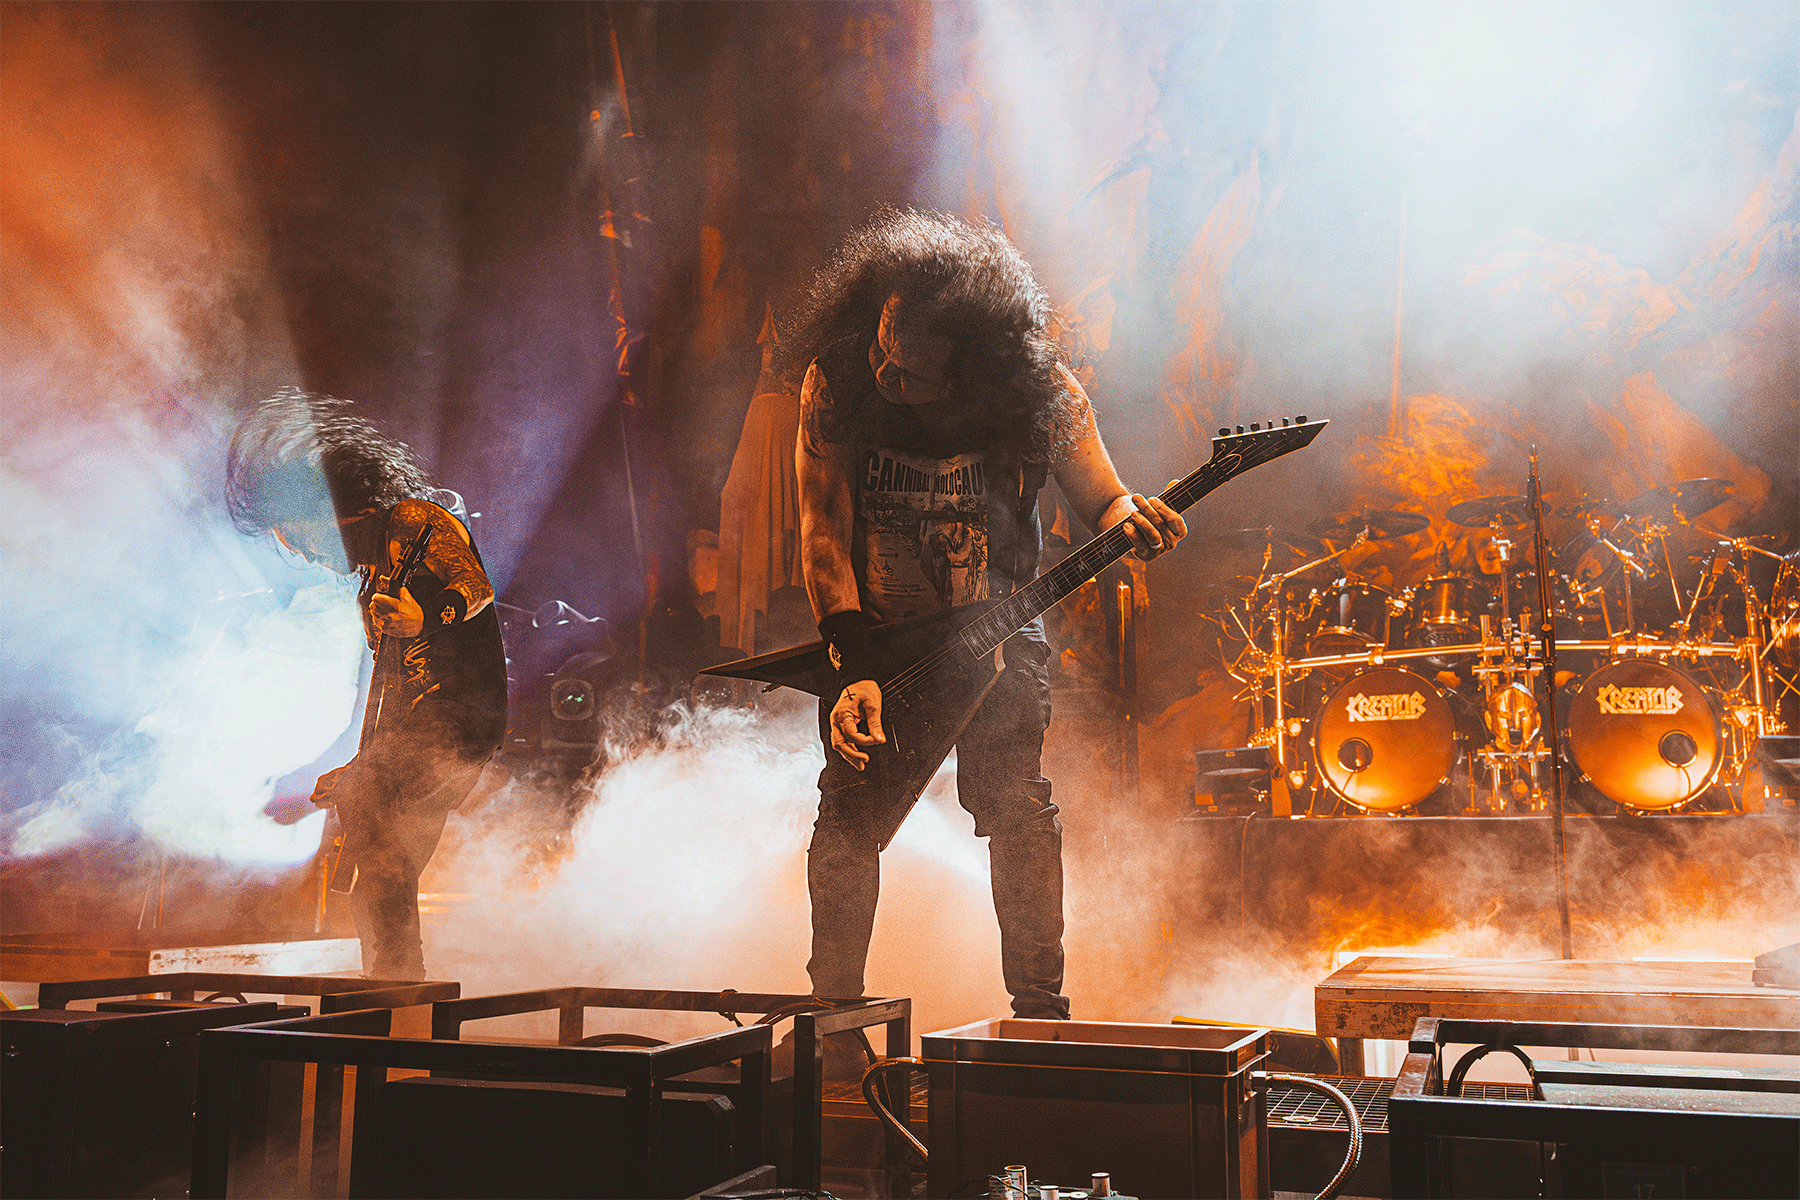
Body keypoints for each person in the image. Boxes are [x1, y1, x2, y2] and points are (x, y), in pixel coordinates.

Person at [787, 209, 1186, 1019]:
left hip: (999, 635)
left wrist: (1133, 521)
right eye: (883, 347)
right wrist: (854, 664)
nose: (886, 375)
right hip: (875, 640)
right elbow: (822, 532)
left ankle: (1039, 1014)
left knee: (1017, 808)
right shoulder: (837, 380)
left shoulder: (1042, 394)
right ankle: (832, 1020)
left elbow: (1104, 498)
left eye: (912, 373)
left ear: (971, 370)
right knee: (850, 815)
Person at [226, 389, 507, 980]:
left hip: (459, 719)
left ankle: (399, 983)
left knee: (377, 844)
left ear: (327, 513)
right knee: (375, 877)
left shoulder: (413, 520)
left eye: (302, 539)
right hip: (415, 733)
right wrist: (357, 765)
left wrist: (427, 618)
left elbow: (476, 588)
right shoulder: (370, 583)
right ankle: (395, 982)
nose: (308, 556)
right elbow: (383, 696)